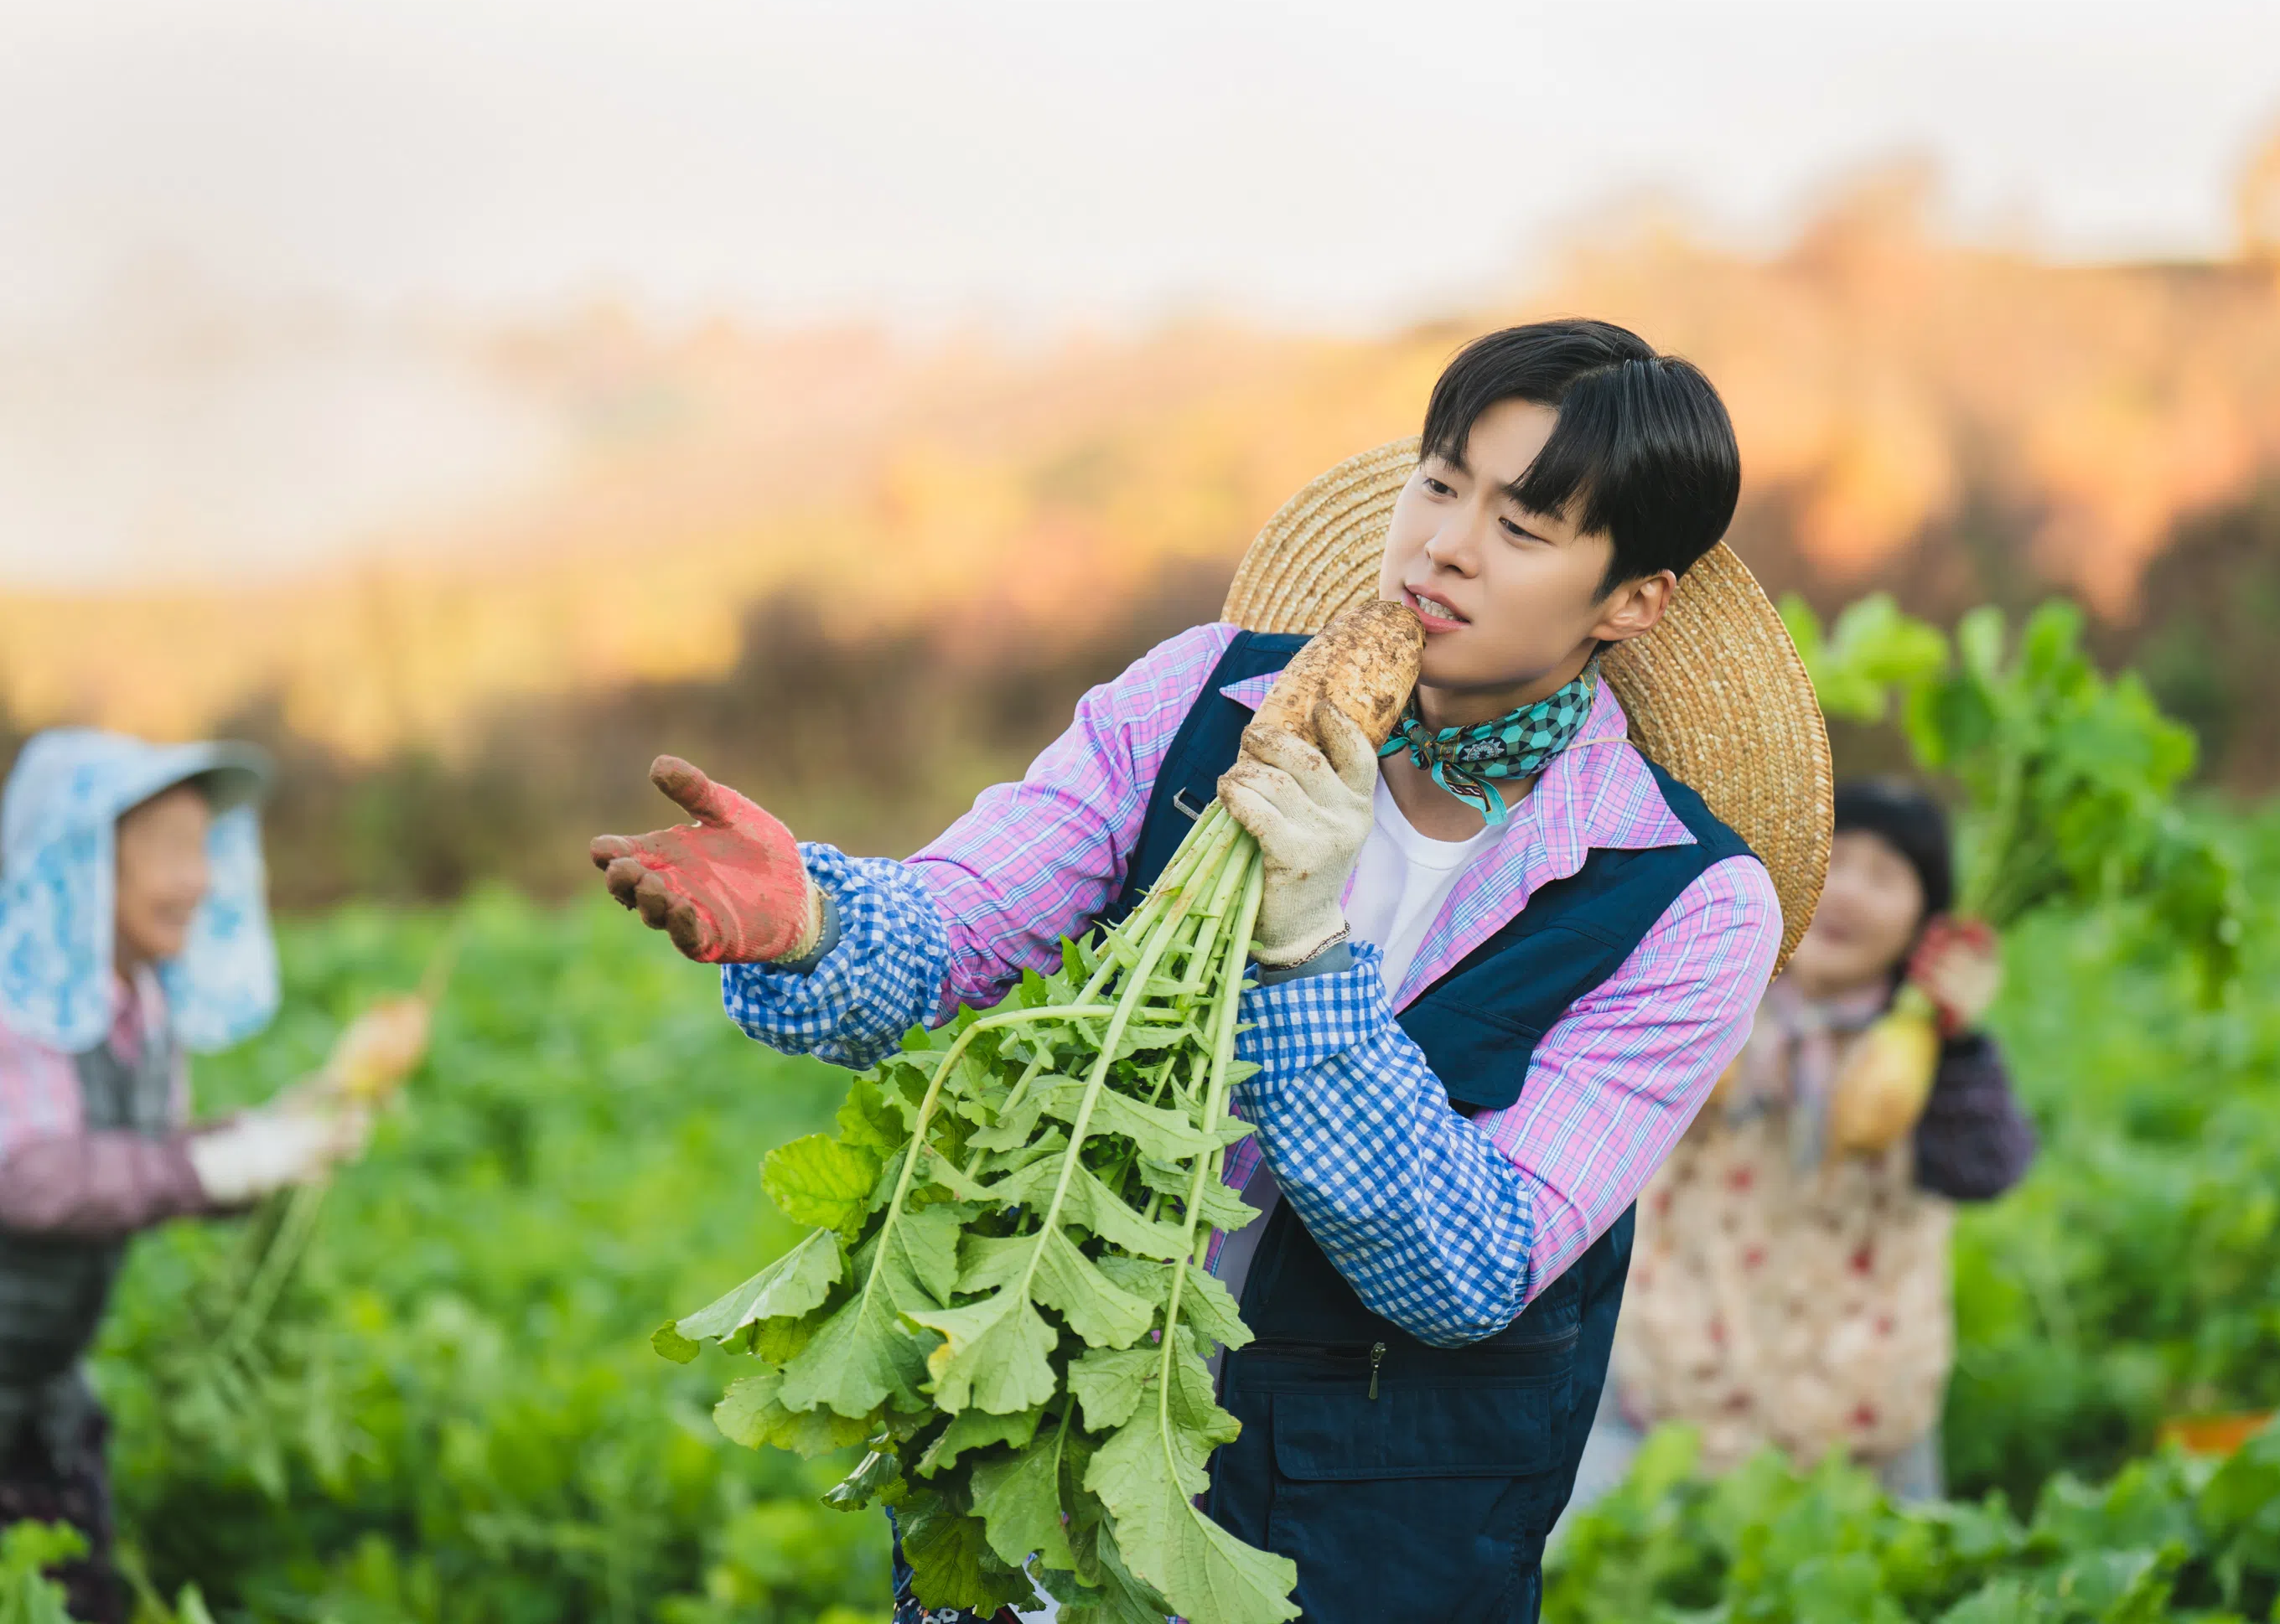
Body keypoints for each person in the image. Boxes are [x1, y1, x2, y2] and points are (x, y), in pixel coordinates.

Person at [590, 319, 1834, 1624]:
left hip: (1368, 1546)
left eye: (1524, 530)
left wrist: (1304, 950)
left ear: (1633, 600)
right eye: (1439, 482)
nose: (1445, 545)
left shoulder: (1691, 906)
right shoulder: (1200, 699)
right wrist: (819, 927)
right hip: (1053, 1469)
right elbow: (966, 919)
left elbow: (1472, 1266)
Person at [0, 731, 372, 1622]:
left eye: (204, 847)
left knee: (82, 1592)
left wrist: (266, 1139)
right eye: (168, 848)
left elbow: (143, 1161)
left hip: (42, 1378)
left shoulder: (136, 998)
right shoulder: (17, 997)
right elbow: (26, 1174)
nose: (200, 879)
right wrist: (213, 1163)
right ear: (83, 860)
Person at [1584, 778, 2036, 1509]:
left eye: (1887, 877)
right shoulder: (1700, 986)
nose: (1851, 892)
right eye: (1836, 860)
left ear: (1927, 922)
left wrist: (1955, 1041)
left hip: (1862, 1419)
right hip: (1667, 1387)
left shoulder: (1926, 1057)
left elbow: (1987, 1168)